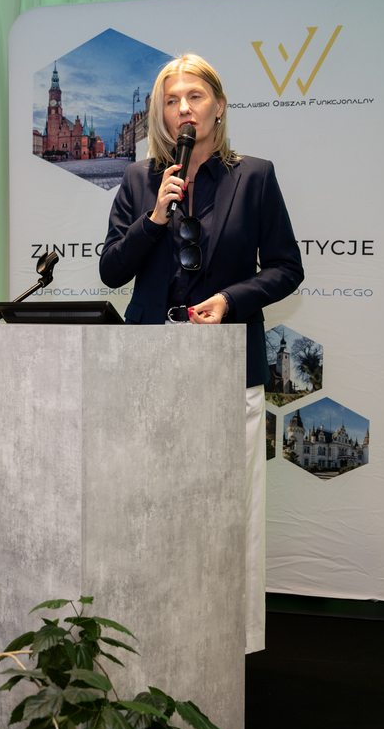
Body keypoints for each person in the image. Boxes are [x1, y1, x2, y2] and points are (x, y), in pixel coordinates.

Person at [99, 53, 303, 653]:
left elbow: (286, 268)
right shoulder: (140, 180)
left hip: (226, 361)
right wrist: (154, 218)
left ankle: (228, 642)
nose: (183, 109)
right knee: (148, 500)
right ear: (160, 114)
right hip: (147, 362)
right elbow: (111, 271)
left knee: (227, 507)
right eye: (171, 100)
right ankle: (146, 632)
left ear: (218, 106)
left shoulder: (255, 177)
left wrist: (231, 300)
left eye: (194, 96)